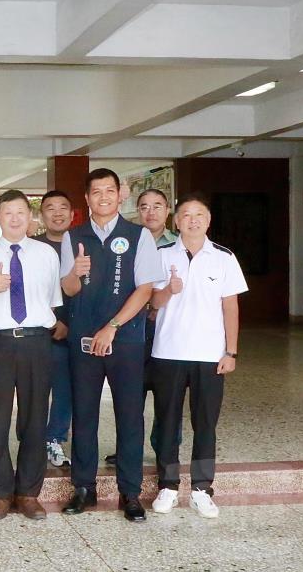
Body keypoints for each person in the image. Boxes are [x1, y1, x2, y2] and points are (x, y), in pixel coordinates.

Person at [60, 168, 162, 523]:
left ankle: (130, 492)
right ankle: (83, 488)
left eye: (109, 190)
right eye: (96, 192)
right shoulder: (74, 237)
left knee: (130, 416)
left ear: (121, 195)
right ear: (86, 199)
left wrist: (113, 327)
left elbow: (146, 289)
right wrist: (76, 271)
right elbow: (69, 289)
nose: (103, 197)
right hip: (84, 341)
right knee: (84, 415)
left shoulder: (138, 235)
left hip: (126, 340)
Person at [149, 193, 247, 518]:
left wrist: (230, 351)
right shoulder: (161, 255)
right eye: (186, 215)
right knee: (167, 422)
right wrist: (167, 291)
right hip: (168, 352)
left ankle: (202, 488)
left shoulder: (224, 257)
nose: (192, 220)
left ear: (208, 220)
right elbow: (151, 305)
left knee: (206, 423)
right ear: (176, 222)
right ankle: (168, 484)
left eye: (199, 215)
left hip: (209, 355)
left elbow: (230, 306)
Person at [0, 190, 61, 521]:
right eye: (9, 212)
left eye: (21, 212)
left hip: (36, 341)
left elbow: (52, 301)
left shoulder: (47, 253)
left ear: (30, 216)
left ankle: (28, 492)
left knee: (35, 418)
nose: (16, 218)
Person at [106, 188, 180, 466]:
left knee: (167, 395)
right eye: (145, 207)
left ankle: (166, 449)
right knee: (130, 395)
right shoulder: (128, 241)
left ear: (168, 210)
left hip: (169, 329)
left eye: (157, 206)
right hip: (134, 327)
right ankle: (127, 449)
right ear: (138, 211)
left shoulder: (180, 245)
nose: (151, 212)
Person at [31, 190, 73, 469]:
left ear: (72, 214)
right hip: (37, 330)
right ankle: (32, 439)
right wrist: (50, 320)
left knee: (65, 388)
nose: (57, 213)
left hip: (73, 330)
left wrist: (68, 323)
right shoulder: (31, 247)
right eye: (50, 208)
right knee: (33, 389)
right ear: (42, 215)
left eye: (63, 207)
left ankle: (54, 438)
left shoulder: (83, 243)